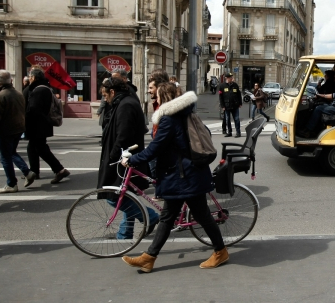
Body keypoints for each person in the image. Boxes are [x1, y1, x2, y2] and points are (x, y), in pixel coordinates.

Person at [120, 84, 227, 272]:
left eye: (159, 97)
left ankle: (220, 251)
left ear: (165, 97)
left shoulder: (169, 120)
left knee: (198, 216)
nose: (157, 100)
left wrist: (133, 160)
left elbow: (155, 148)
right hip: (186, 175)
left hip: (183, 177)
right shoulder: (187, 114)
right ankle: (149, 257)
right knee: (168, 217)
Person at [97, 77, 159, 239]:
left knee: (113, 196)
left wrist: (112, 156)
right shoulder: (125, 101)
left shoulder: (126, 105)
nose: (104, 98)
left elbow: (123, 135)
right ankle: (125, 233)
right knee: (126, 194)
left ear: (113, 92)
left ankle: (150, 216)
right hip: (127, 156)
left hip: (124, 158)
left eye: (105, 95)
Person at [25, 69, 69, 184]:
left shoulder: (39, 90)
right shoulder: (46, 88)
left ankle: (59, 169)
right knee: (33, 147)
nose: (29, 79)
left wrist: (26, 117)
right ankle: (34, 171)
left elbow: (34, 109)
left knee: (41, 149)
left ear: (34, 78)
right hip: (42, 124)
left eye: (30, 77)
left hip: (38, 125)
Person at [0, 70, 34, 193]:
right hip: (18, 128)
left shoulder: (1, 96)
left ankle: (12, 183)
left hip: (6, 130)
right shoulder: (18, 93)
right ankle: (27, 172)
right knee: (11, 152)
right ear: (11, 80)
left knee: (5, 157)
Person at [298, 66, 335, 139]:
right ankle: (313, 129)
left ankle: (308, 130)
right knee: (318, 105)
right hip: (333, 105)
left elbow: (333, 96)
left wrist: (321, 95)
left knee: (319, 109)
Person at [219, 73, 243, 138]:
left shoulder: (235, 85)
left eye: (231, 77)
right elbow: (220, 97)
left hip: (235, 105)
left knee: (237, 119)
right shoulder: (222, 86)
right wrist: (222, 106)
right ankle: (229, 132)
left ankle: (238, 132)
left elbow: (239, 95)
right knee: (227, 119)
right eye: (230, 78)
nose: (231, 78)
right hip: (227, 106)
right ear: (226, 78)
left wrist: (240, 103)